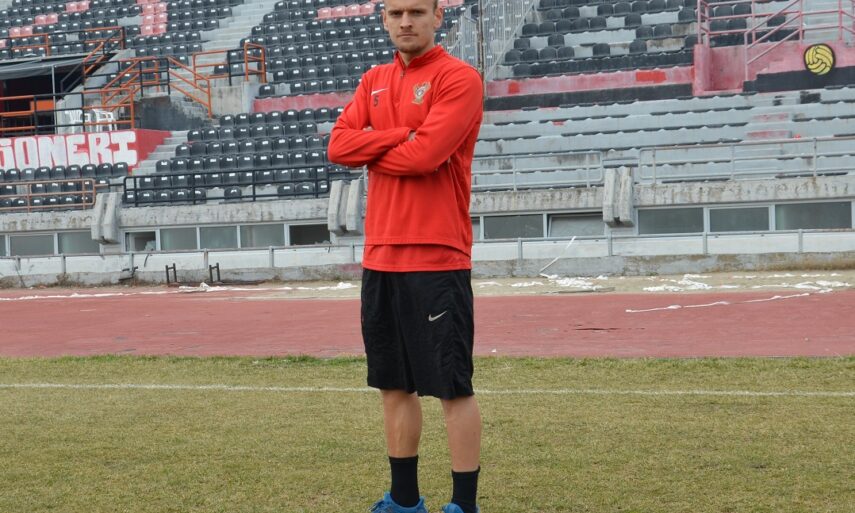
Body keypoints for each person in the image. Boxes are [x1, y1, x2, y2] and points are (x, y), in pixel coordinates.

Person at [326, 0, 484, 512]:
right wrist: (398, 136)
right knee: (393, 386)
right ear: (384, 19)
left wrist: (373, 143)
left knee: (452, 389)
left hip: (437, 257)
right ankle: (404, 500)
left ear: (438, 16)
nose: (406, 22)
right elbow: (338, 147)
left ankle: (463, 505)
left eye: (417, 11)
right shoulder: (373, 79)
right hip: (380, 258)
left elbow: (426, 156)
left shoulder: (459, 79)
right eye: (395, 13)